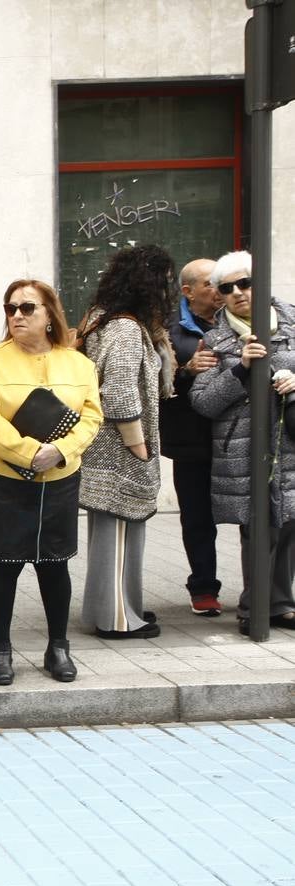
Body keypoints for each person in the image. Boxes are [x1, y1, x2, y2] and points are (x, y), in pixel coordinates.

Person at [0, 280, 103, 684]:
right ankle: (0, 650)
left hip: (59, 475)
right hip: (2, 476)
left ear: (49, 314)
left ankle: (58, 647)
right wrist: (30, 452)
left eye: (27, 308)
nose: (17, 316)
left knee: (54, 564)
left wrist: (60, 450)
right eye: (10, 308)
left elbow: (93, 416)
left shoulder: (78, 363)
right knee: (3, 564)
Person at [191, 250, 295, 636]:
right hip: (244, 447)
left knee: (288, 522)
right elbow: (202, 401)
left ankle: (281, 603)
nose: (237, 293)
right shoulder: (215, 339)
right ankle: (254, 608)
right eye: (227, 288)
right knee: (258, 526)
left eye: (245, 283)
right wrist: (241, 369)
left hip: (289, 441)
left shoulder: (293, 322)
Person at [77, 244, 175, 639]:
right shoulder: (126, 328)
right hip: (119, 449)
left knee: (116, 531)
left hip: (105, 446)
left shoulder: (101, 320)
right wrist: (139, 445)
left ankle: (121, 606)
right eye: (165, 282)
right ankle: (116, 618)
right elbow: (118, 392)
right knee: (118, 531)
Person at [162, 258, 225, 616]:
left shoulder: (239, 319)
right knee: (198, 517)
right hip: (192, 441)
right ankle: (203, 587)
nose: (221, 291)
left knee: (253, 517)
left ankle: (262, 589)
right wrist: (186, 371)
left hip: (238, 436)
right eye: (210, 284)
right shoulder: (170, 331)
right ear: (187, 291)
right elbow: (155, 384)